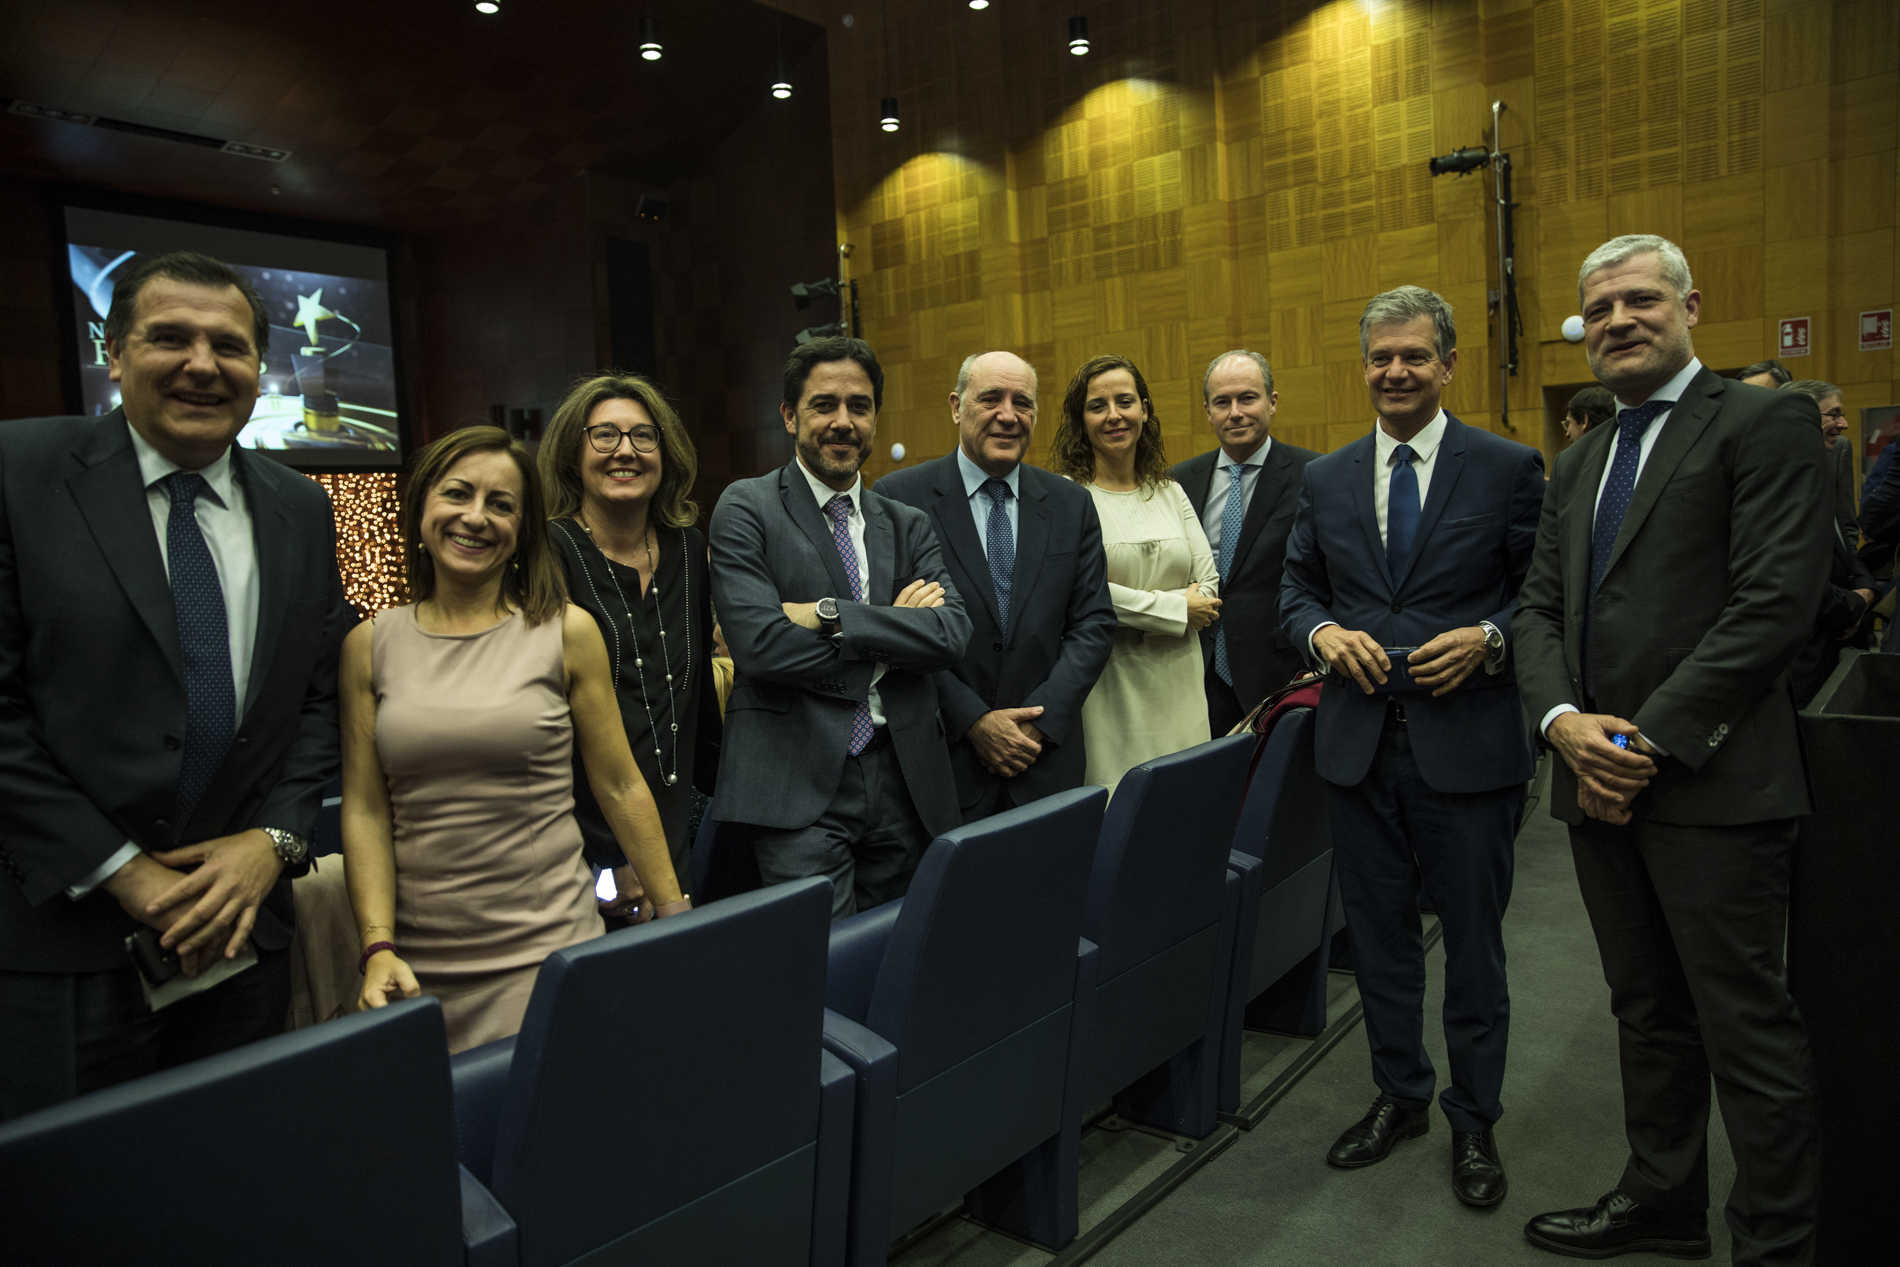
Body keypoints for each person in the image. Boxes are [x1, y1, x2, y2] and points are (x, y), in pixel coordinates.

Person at [1515, 234, 1826, 1263]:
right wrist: (1563, 726)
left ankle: (1773, 1241)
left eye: (1638, 299)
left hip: (1713, 781)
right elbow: (1537, 615)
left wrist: (1641, 743)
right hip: (1595, 784)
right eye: (1597, 308)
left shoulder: (1760, 417)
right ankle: (1662, 1201)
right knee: (1644, 1010)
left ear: (1689, 304)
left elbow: (1772, 604)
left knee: (1745, 1028)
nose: (1616, 321)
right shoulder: (1584, 455)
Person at [0, 251, 349, 1120]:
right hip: (65, 943)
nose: (202, 364)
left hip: (242, 939)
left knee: (226, 1181)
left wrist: (272, 839)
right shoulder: (18, 472)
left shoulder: (301, 508)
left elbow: (317, 700)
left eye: (228, 346)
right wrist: (125, 872)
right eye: (170, 338)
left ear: (257, 368)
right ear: (112, 352)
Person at [1279, 285, 1545, 1210]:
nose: (1395, 372)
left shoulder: (1509, 467)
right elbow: (1297, 592)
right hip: (1356, 750)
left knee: (1473, 947)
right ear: (1365, 367)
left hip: (1468, 748)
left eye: (1414, 356)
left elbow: (1540, 598)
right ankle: (1402, 1095)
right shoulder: (1326, 477)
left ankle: (1476, 1117)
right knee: (1382, 944)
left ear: (1449, 363)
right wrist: (1319, 637)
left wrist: (1492, 639)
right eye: (1381, 357)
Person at [340, 426, 686, 1052]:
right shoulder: (369, 646)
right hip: (417, 969)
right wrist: (377, 945)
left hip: (552, 951)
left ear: (523, 532)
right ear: (422, 509)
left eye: (501, 505)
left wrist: (674, 915)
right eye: (457, 495)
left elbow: (618, 781)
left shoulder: (564, 631)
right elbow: (366, 808)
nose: (476, 517)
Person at [707, 337, 969, 918]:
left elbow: (950, 635)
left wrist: (828, 615)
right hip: (796, 785)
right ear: (789, 415)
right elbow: (759, 648)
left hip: (903, 777)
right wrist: (898, 631)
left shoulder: (908, 524)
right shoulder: (747, 507)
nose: (842, 422)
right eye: (824, 405)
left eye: (860, 405)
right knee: (822, 970)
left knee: (899, 959)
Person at [876, 351, 1115, 818]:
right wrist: (974, 721)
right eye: (990, 399)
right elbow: (896, 633)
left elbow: (1094, 624)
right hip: (947, 761)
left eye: (1021, 403)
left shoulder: (1072, 504)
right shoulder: (898, 501)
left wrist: (1037, 723)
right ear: (955, 407)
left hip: (1046, 758)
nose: (1008, 415)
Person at [538, 373, 720, 909]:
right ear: (574, 452)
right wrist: (613, 858)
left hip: (684, 825)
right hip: (584, 847)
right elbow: (549, 724)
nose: (626, 451)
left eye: (644, 436)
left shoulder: (688, 548)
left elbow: (697, 706)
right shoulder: (547, 553)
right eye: (605, 436)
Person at [1051, 354, 1219, 792]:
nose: (1114, 416)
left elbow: (1210, 587)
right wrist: (1173, 609)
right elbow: (1082, 594)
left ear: (1144, 409)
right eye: (1097, 406)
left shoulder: (1171, 492)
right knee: (1120, 815)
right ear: (1080, 420)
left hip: (1182, 683)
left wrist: (1142, 609)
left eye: (1125, 401)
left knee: (1185, 810)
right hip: (1110, 686)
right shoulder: (1068, 498)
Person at [1171, 349, 1319, 735]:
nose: (1235, 412)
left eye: (1247, 398)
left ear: (1272, 402)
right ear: (1207, 411)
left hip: (1280, 672)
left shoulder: (1315, 476)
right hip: (1194, 672)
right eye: (1222, 402)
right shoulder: (1177, 483)